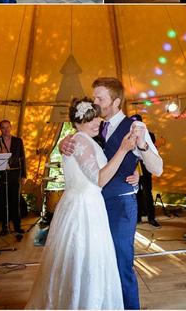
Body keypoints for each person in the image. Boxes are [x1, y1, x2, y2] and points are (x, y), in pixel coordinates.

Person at [60, 77, 163, 310]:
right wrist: (64, 143)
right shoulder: (93, 126)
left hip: (120, 206)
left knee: (120, 261)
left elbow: (157, 168)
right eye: (94, 97)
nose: (95, 102)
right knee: (97, 263)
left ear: (116, 101)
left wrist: (142, 148)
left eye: (100, 98)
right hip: (92, 207)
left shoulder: (135, 127)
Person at [27, 98, 139, 309]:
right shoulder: (78, 141)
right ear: (77, 123)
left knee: (88, 261)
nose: (97, 121)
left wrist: (135, 173)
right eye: (90, 119)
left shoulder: (86, 140)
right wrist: (123, 150)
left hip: (89, 205)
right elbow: (99, 179)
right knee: (83, 260)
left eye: (97, 116)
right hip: (83, 210)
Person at [0, 120, 27, 235]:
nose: (6, 130)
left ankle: (17, 226)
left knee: (16, 201)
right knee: (3, 201)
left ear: (11, 127)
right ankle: (4, 227)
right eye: (3, 128)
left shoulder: (18, 141)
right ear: (0, 129)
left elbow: (22, 158)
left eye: (7, 127)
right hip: (2, 175)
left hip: (15, 174)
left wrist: (24, 175)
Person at [131, 115, 160, 228]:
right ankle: (137, 217)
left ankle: (151, 218)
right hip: (134, 168)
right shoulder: (128, 135)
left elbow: (150, 150)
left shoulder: (149, 135)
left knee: (148, 193)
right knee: (136, 193)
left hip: (145, 167)